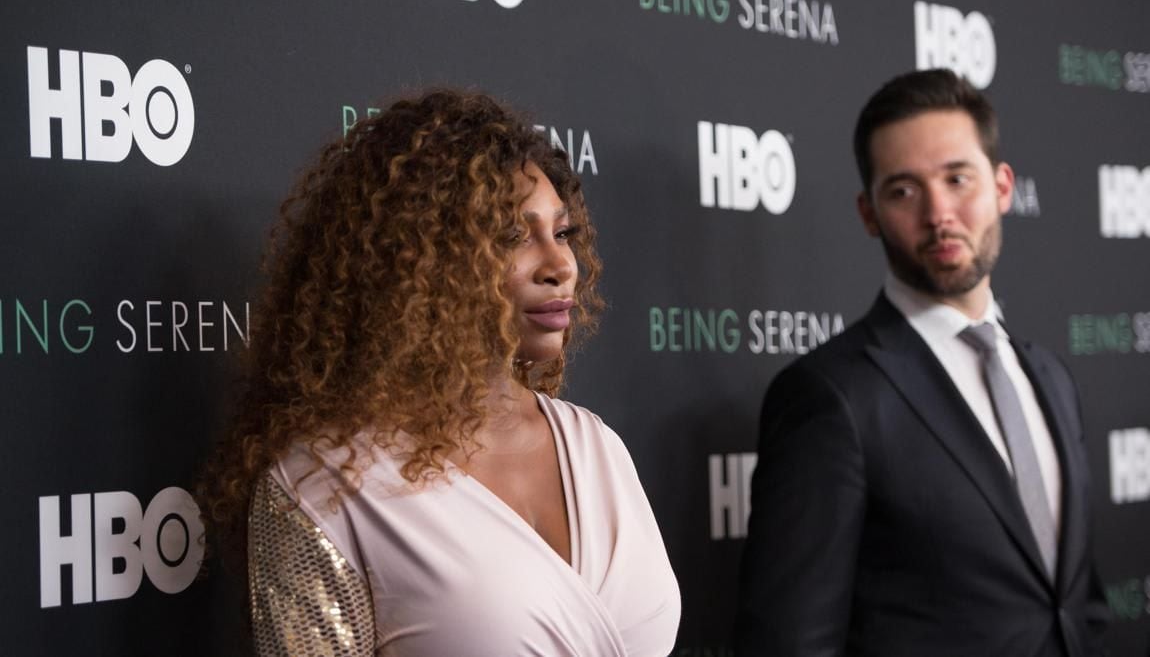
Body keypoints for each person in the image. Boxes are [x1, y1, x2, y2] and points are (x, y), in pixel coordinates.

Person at [199, 90, 680, 656]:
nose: (560, 266)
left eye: (563, 232)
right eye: (512, 236)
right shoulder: (324, 485)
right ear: (418, 259)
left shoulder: (597, 446)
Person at [734, 69, 1110, 656]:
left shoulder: (1051, 379)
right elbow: (788, 644)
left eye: (958, 178)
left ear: (1003, 187)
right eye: (904, 190)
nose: (939, 213)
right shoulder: (830, 396)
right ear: (869, 213)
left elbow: (1077, 608)